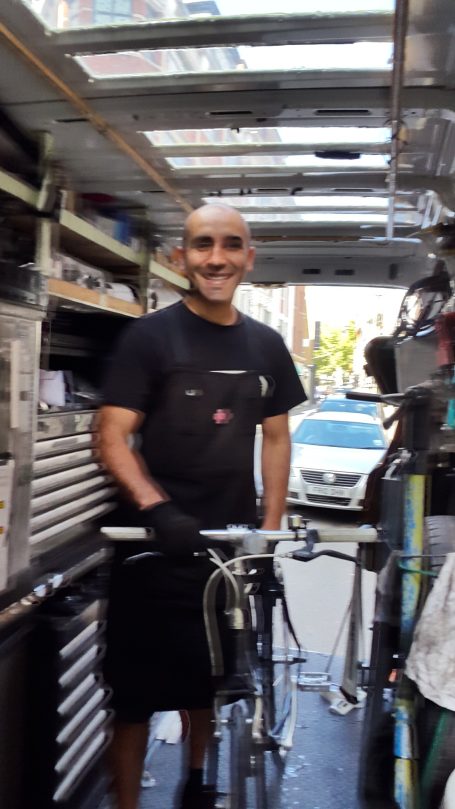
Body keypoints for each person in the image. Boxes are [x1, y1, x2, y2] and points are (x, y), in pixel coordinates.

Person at [98, 203, 306, 809]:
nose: (217, 258)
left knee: (207, 687)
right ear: (180, 257)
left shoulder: (267, 345)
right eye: (203, 245)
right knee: (133, 700)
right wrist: (157, 509)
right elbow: (110, 433)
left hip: (224, 554)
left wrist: (265, 539)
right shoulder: (149, 337)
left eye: (231, 245)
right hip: (151, 552)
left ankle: (194, 782)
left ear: (249, 257)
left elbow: (276, 438)